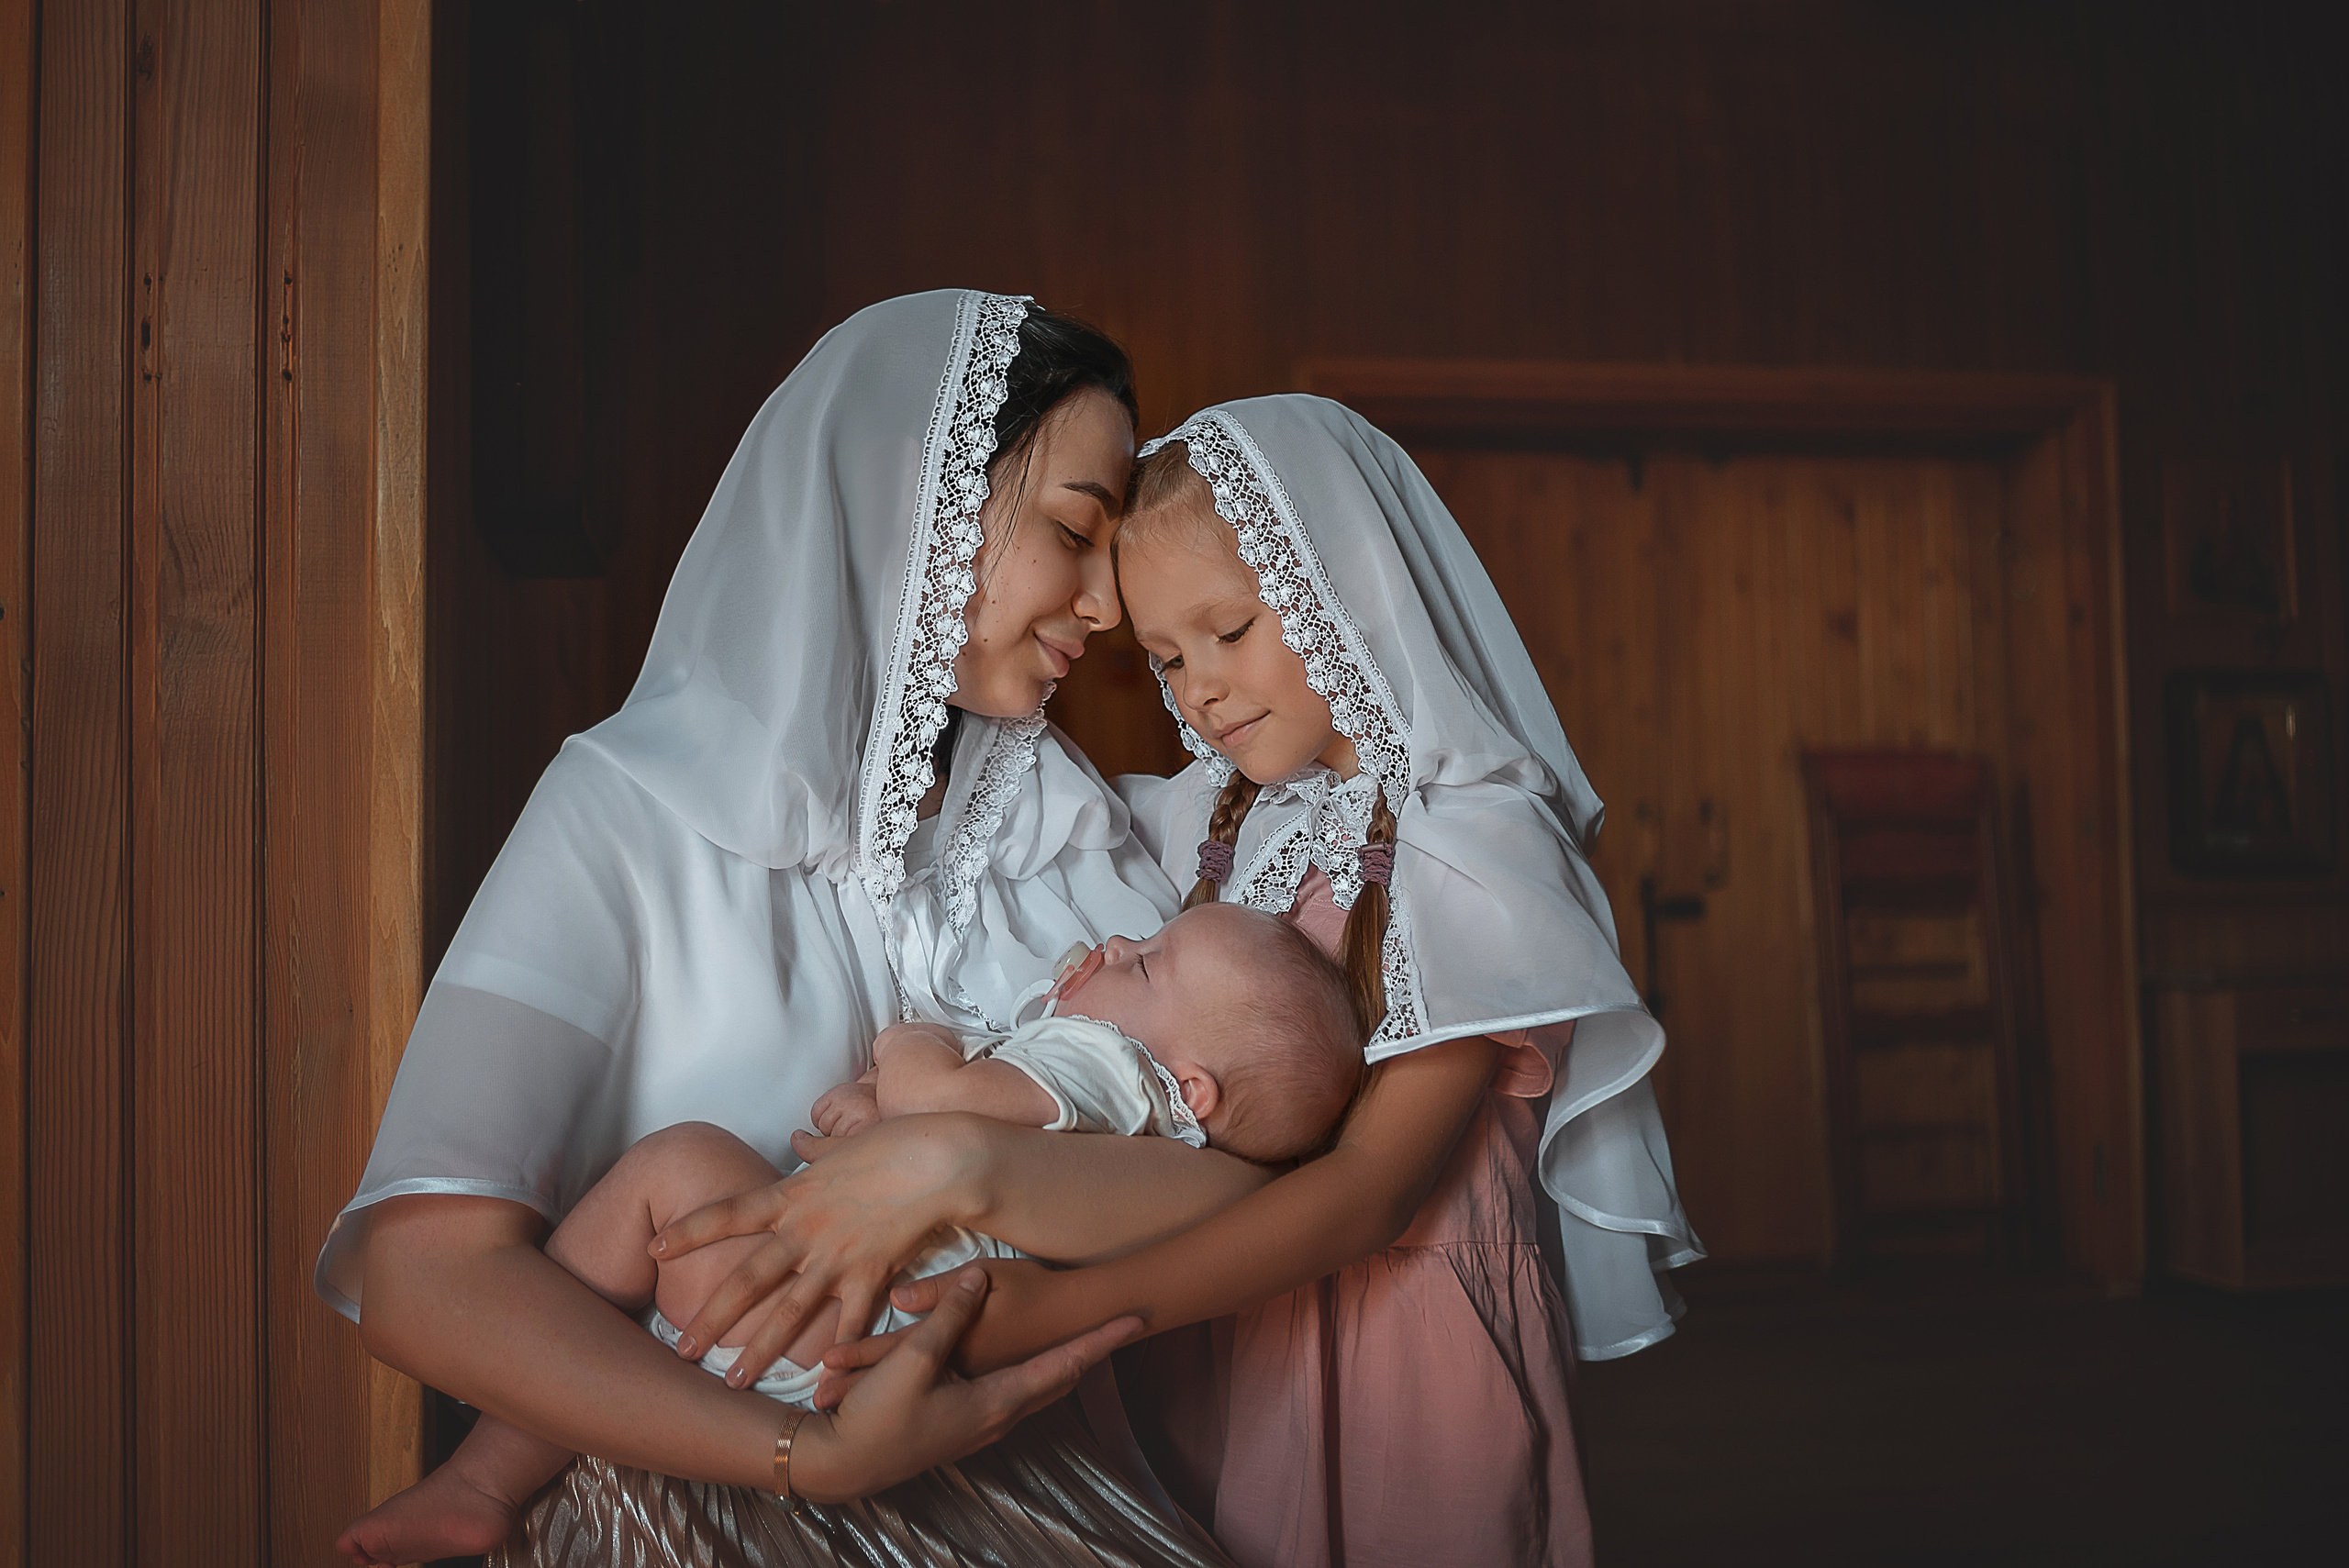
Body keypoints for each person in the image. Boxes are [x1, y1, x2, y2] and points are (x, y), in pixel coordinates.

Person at [651, 394, 1703, 1568]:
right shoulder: (1209, 816)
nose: (1197, 687)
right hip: (1222, 1335)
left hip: (1405, 1355)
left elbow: (1366, 1194)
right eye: (1163, 656)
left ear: (1341, 586)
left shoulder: (1470, 841)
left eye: (1231, 629)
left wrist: (1050, 1312)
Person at [322, 290, 1260, 1568]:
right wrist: (798, 1457)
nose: (1105, 606)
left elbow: (1226, 1168)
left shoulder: (1056, 825)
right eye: (1070, 533)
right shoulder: (622, 815)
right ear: (911, 505)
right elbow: (428, 1273)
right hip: (689, 1486)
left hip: (1014, 1485)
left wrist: (961, 1172)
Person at [338, 902, 1361, 1565]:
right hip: (867, 1340)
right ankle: (483, 1480)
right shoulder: (1129, 1121)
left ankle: (482, 1473)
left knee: (669, 1169)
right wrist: (883, 1119)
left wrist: (909, 1041)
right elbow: (959, 1151)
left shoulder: (1103, 1066)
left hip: (839, 1307)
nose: (1113, 946)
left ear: (1189, 1084)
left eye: (1143, 964)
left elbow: (941, 1100)